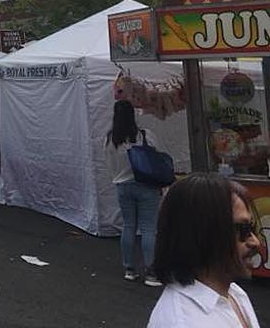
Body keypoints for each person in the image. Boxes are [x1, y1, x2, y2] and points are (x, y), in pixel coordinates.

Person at [149, 173, 262, 327]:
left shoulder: (234, 294)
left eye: (252, 227)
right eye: (243, 229)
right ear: (202, 234)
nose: (255, 241)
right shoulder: (184, 322)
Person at [105, 100, 163, 285]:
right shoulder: (145, 136)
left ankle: (129, 268)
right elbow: (158, 158)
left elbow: (109, 164)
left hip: (122, 187)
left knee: (128, 226)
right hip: (146, 186)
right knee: (148, 229)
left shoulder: (110, 139)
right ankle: (151, 272)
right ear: (133, 115)